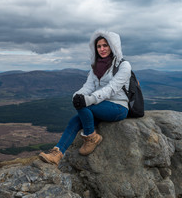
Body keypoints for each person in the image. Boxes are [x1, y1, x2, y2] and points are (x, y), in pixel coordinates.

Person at [39, 30, 131, 165]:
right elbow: (88, 86)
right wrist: (78, 96)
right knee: (74, 121)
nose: (102, 49)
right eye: (99, 46)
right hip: (99, 105)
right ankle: (57, 154)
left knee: (85, 106)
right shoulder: (95, 68)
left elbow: (111, 88)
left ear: (113, 46)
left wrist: (89, 100)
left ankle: (91, 137)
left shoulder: (123, 66)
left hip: (118, 107)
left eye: (105, 45)